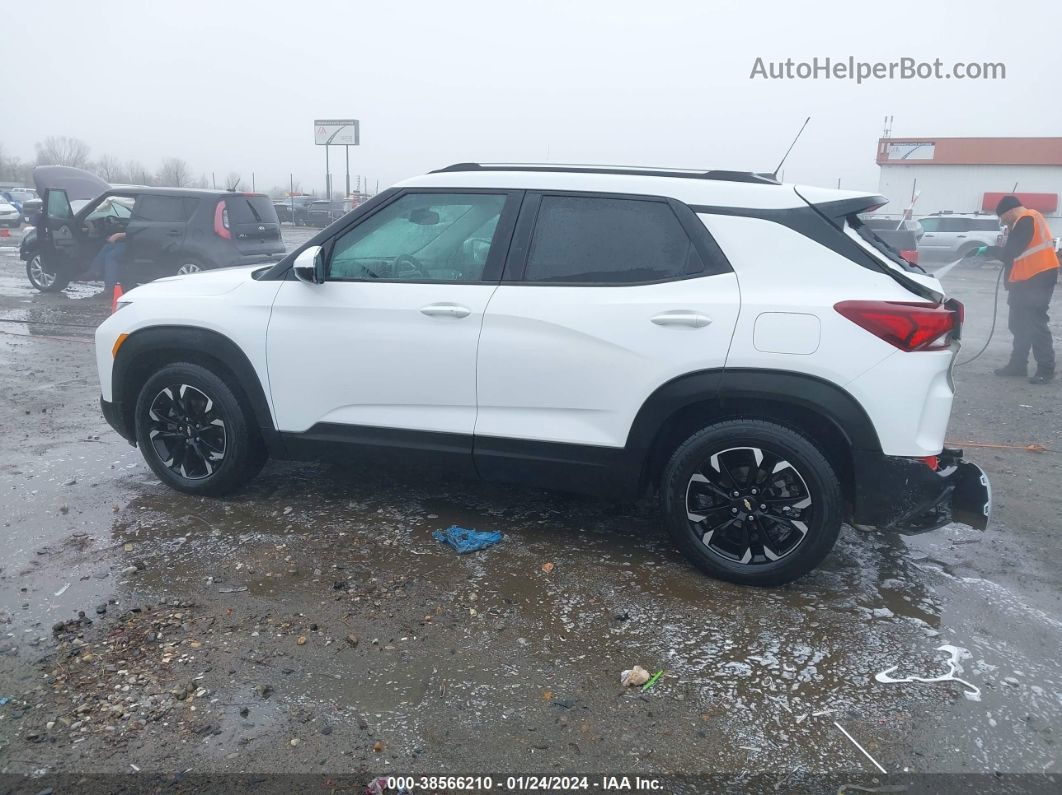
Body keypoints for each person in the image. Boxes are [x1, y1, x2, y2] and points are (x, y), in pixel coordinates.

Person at [976, 195, 1058, 385]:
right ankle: (1018, 364)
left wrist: (988, 251)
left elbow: (1011, 252)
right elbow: (1017, 255)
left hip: (1038, 277)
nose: (1002, 222)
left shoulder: (1027, 219)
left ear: (1010, 211)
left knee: (1035, 323)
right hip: (1025, 279)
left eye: (1002, 218)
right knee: (1018, 323)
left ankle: (1046, 368)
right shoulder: (1024, 220)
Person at [88, 231, 128, 300]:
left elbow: (137, 228)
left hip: (138, 242)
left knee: (111, 256)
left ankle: (109, 289)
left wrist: (119, 235)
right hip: (126, 241)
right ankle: (94, 272)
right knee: (107, 247)